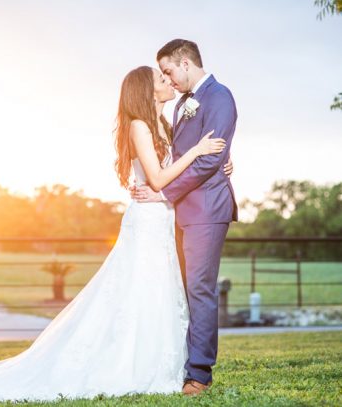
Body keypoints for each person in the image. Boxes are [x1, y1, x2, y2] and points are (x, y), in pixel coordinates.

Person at [0, 63, 230, 404]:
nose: (167, 81)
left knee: (157, 290)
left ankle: (160, 360)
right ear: (146, 91)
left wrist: (218, 165)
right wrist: (199, 152)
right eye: (160, 78)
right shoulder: (140, 126)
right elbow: (157, 179)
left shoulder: (163, 123)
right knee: (138, 289)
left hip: (162, 219)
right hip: (147, 220)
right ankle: (126, 363)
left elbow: (178, 168)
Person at [131, 38, 238, 396]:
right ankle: (181, 363)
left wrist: (163, 192)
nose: (168, 79)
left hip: (206, 210)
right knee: (182, 292)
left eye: (168, 71)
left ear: (185, 63)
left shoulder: (219, 97)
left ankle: (199, 375)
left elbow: (209, 159)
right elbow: (184, 155)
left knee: (200, 290)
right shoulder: (181, 106)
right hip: (178, 213)